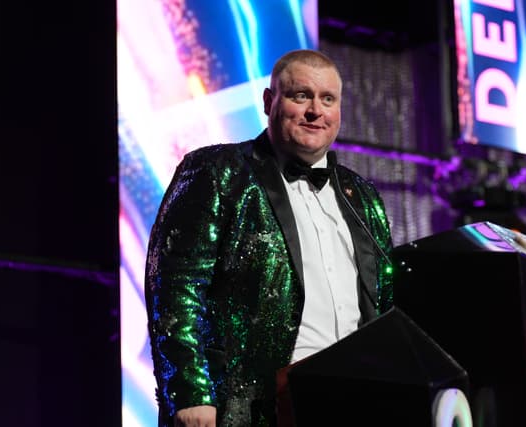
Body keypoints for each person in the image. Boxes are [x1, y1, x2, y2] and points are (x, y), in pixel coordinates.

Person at [145, 48, 394, 427]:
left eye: (328, 99)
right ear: (268, 101)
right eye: (300, 96)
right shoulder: (218, 171)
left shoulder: (362, 197)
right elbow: (176, 284)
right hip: (252, 407)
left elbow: (384, 302)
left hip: (350, 401)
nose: (315, 110)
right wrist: (190, 391)